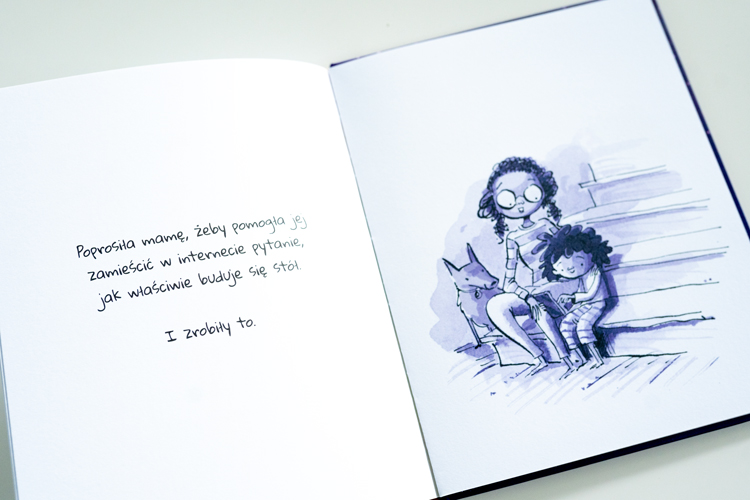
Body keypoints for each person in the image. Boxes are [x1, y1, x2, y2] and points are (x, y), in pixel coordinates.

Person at [478, 157, 577, 376]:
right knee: (495, 305)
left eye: (530, 193)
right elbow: (508, 282)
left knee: (540, 308)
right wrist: (527, 296)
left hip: (559, 283)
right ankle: (537, 356)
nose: (520, 203)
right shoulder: (512, 238)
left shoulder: (546, 225)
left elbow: (569, 255)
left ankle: (567, 357)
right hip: (535, 291)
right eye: (508, 198)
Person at [538, 224, 612, 369]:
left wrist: (572, 298)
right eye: (562, 268)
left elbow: (591, 294)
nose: (570, 268)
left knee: (583, 326)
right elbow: (581, 294)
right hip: (586, 305)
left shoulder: (594, 272)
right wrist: (569, 301)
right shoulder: (581, 276)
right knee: (565, 325)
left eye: (577, 260)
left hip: (597, 304)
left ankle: (597, 358)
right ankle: (579, 357)